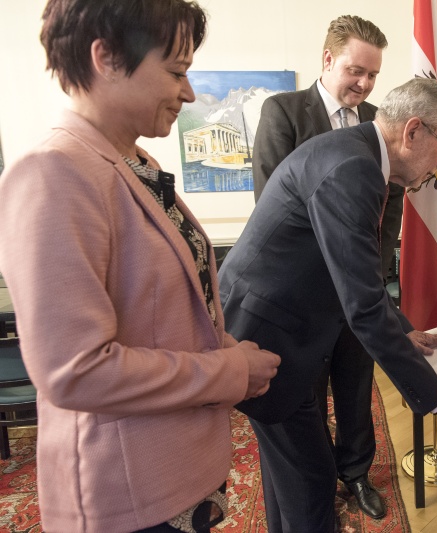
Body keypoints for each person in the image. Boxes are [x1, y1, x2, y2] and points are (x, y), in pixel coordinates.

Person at [0, 1, 281, 531]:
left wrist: (224, 348)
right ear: (105, 57)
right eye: (176, 72)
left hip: (174, 467)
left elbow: (164, 309)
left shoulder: (135, 161)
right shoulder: (54, 173)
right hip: (124, 492)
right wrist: (229, 370)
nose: (189, 92)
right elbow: (76, 371)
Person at [218, 77, 437, 532]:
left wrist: (402, 329)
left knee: (291, 477)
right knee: (311, 482)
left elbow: (353, 275)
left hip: (274, 327)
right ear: (413, 132)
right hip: (270, 339)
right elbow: (364, 304)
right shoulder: (355, 167)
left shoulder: (355, 154)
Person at [250, 14, 398, 519]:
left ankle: (355, 475)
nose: (365, 83)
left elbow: (389, 207)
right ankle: (309, 485)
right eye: (357, 70)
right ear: (328, 59)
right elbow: (270, 201)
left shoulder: (380, 119)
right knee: (304, 399)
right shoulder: (285, 112)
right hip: (304, 300)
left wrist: (372, 279)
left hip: (358, 291)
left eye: (374, 74)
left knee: (357, 391)